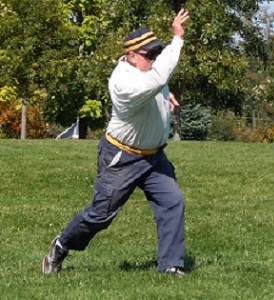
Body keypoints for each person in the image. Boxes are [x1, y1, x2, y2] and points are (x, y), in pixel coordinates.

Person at [42, 9, 190, 277]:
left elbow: (157, 83)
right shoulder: (123, 82)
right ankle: (61, 245)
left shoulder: (145, 70)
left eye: (158, 53)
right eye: (150, 55)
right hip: (123, 157)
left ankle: (170, 265)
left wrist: (165, 100)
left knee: (173, 201)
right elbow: (157, 79)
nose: (155, 59)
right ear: (131, 57)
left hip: (154, 157)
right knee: (101, 215)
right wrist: (177, 39)